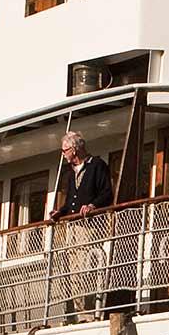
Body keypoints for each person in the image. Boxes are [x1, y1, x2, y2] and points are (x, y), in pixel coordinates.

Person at [53, 131, 115, 320]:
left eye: (65, 151)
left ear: (75, 149)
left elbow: (107, 193)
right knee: (74, 269)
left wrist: (92, 205)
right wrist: (61, 212)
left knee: (86, 266)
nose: (63, 154)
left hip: (90, 226)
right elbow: (72, 199)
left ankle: (92, 311)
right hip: (73, 226)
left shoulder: (97, 166)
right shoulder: (71, 173)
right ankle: (80, 312)